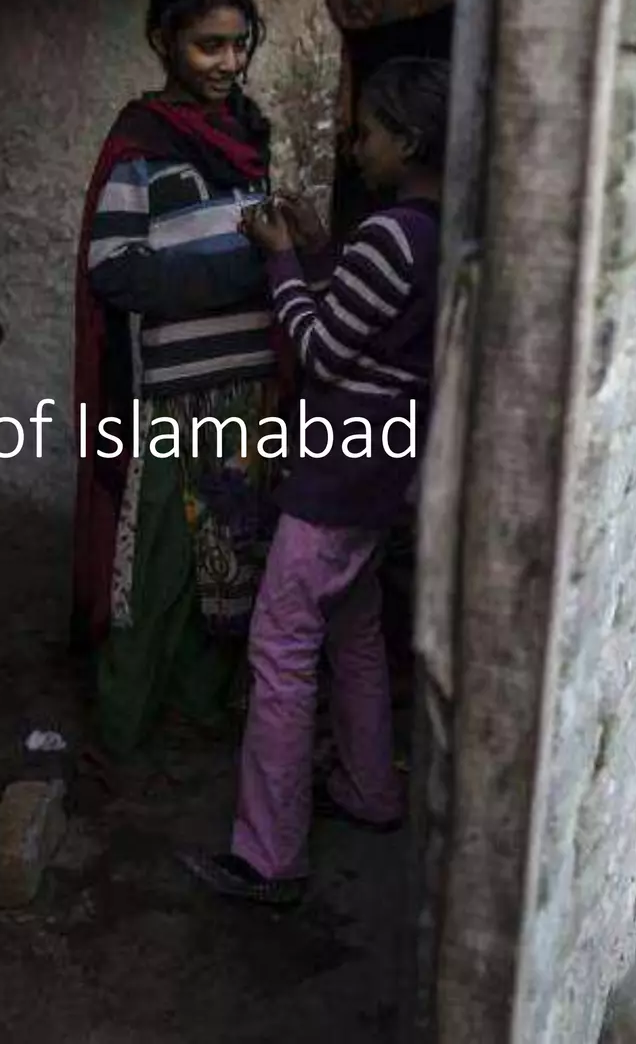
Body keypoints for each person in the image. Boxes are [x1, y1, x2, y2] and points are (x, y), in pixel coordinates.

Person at [180, 57, 450, 905]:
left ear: (405, 142)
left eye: (367, 132)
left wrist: (278, 261)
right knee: (357, 631)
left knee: (282, 645)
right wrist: (319, 248)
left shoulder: (391, 233)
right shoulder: (441, 234)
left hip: (339, 470)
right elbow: (372, 325)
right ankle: (372, 791)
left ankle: (268, 856)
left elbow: (326, 348)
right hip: (387, 470)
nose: (354, 143)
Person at [72, 0, 294, 757]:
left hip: (251, 393)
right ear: (165, 42)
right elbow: (116, 269)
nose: (228, 63)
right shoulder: (140, 145)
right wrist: (251, 267)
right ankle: (121, 735)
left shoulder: (246, 134)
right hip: (179, 398)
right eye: (208, 47)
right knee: (158, 568)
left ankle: (201, 714)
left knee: (232, 561)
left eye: (239, 46)